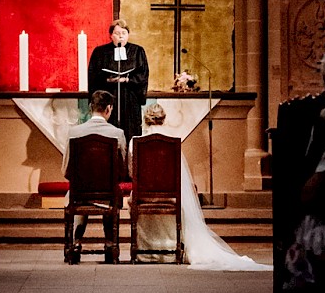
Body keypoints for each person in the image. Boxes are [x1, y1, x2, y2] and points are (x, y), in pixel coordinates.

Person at [132, 102, 270, 271]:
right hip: (170, 196)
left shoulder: (136, 142)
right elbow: (176, 175)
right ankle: (169, 249)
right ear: (164, 119)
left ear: (145, 119)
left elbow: (133, 173)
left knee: (133, 199)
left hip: (144, 196)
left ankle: (144, 251)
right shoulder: (172, 143)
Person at [62, 88, 127, 261]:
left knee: (76, 194)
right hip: (108, 195)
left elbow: (66, 170)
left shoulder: (74, 133)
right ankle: (109, 245)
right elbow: (122, 170)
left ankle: (75, 243)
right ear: (108, 109)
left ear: (91, 107)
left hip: (80, 194)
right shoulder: (117, 134)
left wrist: (85, 183)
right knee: (112, 195)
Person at [87, 18, 149, 141]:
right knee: (108, 134)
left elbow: (143, 75)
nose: (121, 37)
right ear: (111, 35)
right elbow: (93, 75)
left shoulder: (137, 51)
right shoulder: (100, 52)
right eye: (117, 33)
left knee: (130, 132)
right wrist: (109, 80)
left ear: (128, 35)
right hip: (108, 98)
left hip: (129, 98)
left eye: (124, 33)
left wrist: (126, 80)